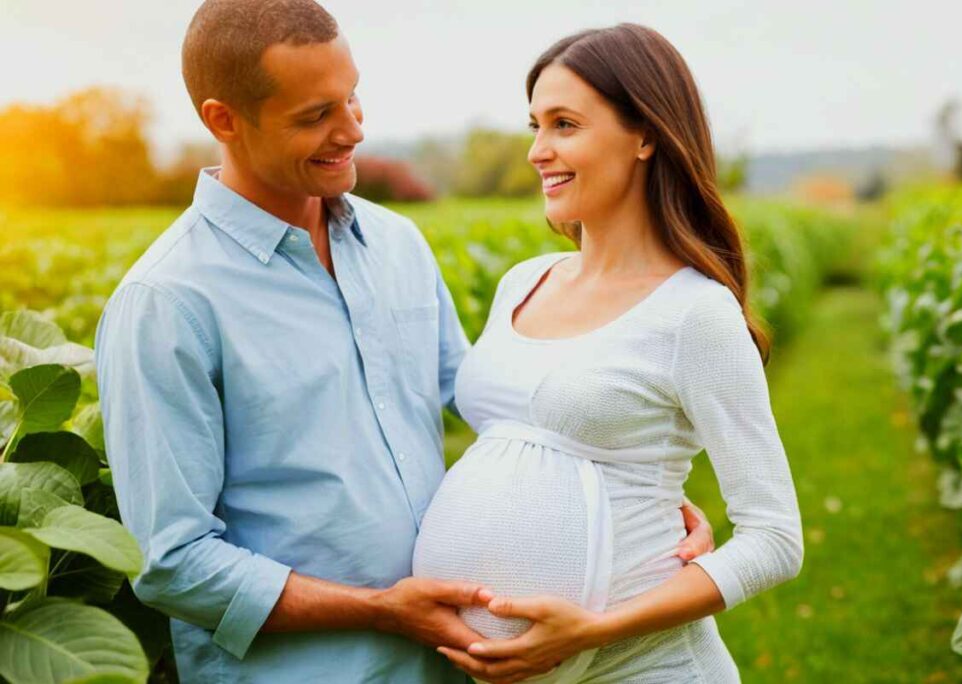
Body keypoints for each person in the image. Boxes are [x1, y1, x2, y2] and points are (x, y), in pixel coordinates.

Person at [94, 2, 714, 682]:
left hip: (451, 664)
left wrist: (641, 509)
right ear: (223, 120)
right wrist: (382, 609)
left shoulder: (396, 245)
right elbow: (175, 561)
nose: (353, 130)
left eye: (352, 98)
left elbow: (499, 404)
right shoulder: (168, 302)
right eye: (315, 116)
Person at [411, 24, 804, 683]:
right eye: (534, 124)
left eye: (565, 124)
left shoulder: (694, 312)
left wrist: (595, 627)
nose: (538, 150)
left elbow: (775, 539)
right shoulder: (523, 281)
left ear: (645, 134)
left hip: (643, 667)